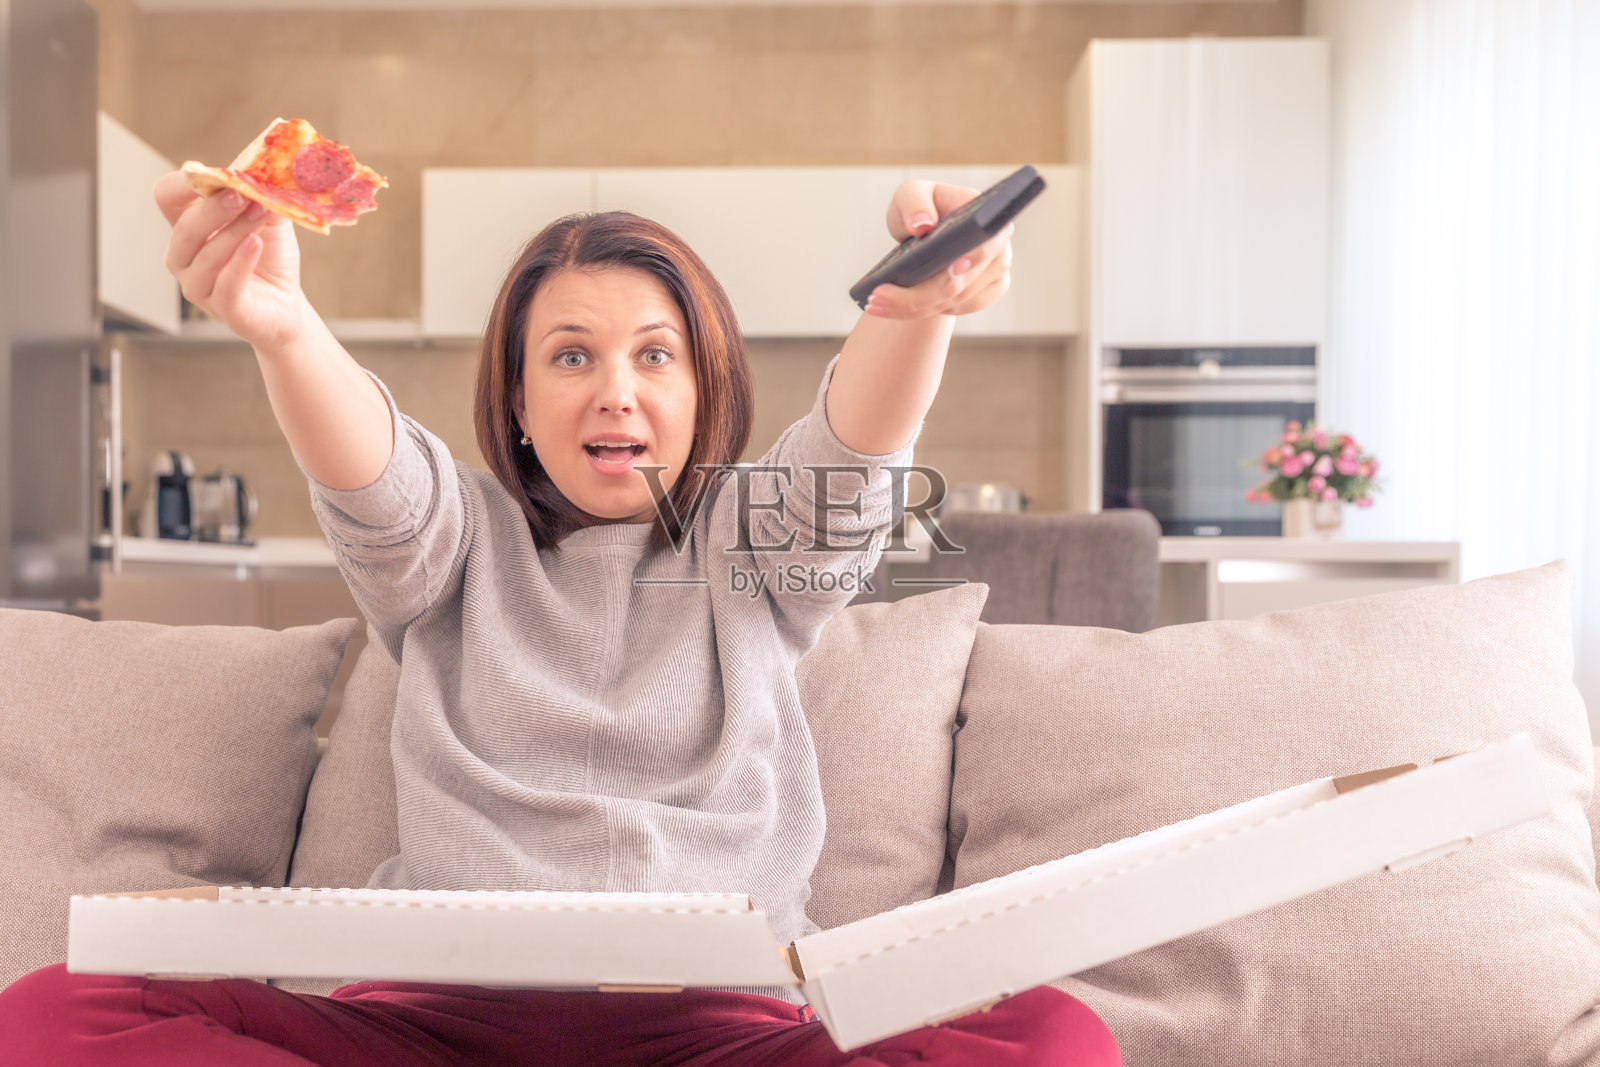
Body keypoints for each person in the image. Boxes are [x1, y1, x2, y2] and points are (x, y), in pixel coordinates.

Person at [0, 168, 1121, 1067]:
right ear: (522, 401)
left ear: (701, 389)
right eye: (571, 355)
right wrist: (283, 326)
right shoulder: (454, 539)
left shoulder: (755, 538)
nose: (614, 389)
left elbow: (851, 460)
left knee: (1052, 1035)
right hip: (433, 1021)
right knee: (61, 1008)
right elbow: (379, 482)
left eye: (655, 355)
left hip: (719, 1027)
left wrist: (912, 310)